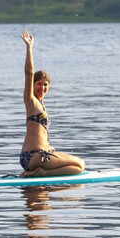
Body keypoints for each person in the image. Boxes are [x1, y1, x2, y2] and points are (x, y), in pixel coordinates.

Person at [18, 30, 85, 177]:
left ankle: (41, 171)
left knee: (76, 167)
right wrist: (29, 48)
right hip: (34, 156)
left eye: (45, 84)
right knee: (80, 164)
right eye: (38, 84)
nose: (42, 87)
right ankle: (40, 173)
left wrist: (48, 147)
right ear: (33, 85)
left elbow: (40, 133)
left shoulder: (41, 105)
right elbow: (29, 73)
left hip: (39, 155)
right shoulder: (30, 101)